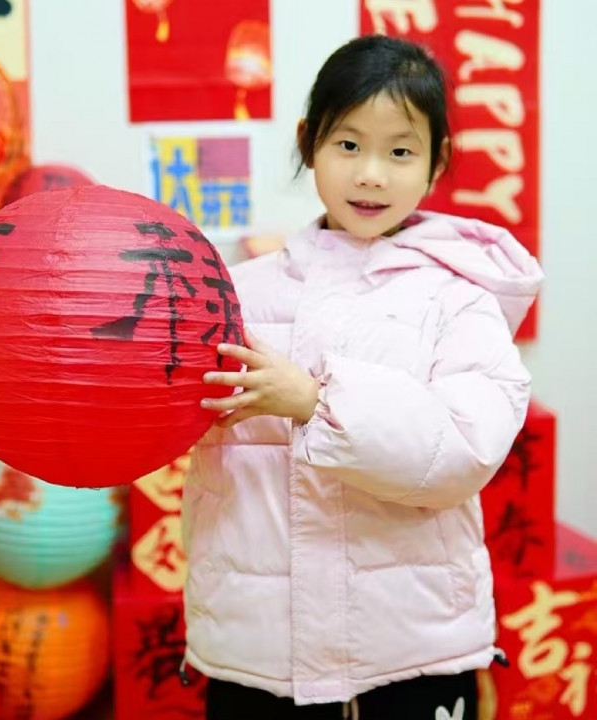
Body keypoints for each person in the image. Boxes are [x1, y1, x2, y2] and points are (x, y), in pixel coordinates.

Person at [183, 34, 544, 720]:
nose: (371, 174)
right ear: (308, 141)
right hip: (256, 654)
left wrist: (314, 402)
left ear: (437, 161)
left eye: (400, 152)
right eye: (348, 145)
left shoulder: (459, 299)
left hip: (412, 654)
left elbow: (463, 450)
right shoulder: (234, 292)